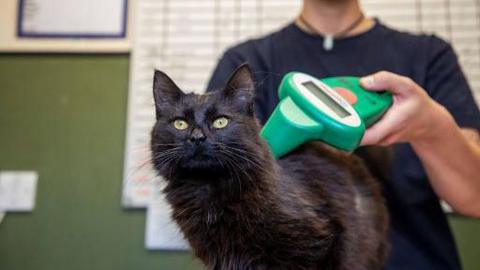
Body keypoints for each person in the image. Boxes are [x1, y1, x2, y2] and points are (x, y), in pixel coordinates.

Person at [206, 0, 480, 269]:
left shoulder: (429, 55)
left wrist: (431, 126)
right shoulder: (246, 64)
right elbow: (212, 201)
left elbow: (474, 198)